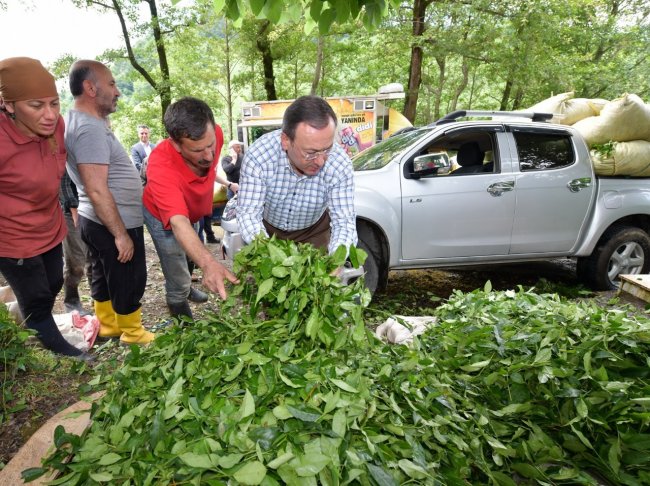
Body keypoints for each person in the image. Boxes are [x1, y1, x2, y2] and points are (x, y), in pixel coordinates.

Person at [0, 56, 91, 360]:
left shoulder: (56, 126)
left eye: (54, 103)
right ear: (9, 105)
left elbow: (59, 168)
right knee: (36, 295)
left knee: (53, 281)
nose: (50, 114)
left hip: (50, 225)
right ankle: (54, 343)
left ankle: (31, 315)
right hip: (13, 236)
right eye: (36, 106)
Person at [65, 60, 153, 345]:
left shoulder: (87, 122)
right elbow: (97, 188)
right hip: (112, 219)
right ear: (91, 88)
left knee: (101, 272)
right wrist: (120, 234)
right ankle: (132, 332)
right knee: (129, 274)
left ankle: (109, 325)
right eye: (112, 84)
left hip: (95, 218)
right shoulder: (88, 129)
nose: (118, 91)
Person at [142, 97, 238, 321]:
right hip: (163, 217)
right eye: (197, 150)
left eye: (210, 145)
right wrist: (210, 264)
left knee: (191, 254)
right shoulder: (160, 165)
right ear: (175, 144)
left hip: (192, 210)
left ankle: (187, 285)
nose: (208, 156)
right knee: (176, 264)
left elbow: (211, 164)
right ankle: (180, 311)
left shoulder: (214, 133)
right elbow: (177, 222)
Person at [237, 95, 357, 254]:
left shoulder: (339, 164)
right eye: (311, 153)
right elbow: (248, 215)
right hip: (266, 231)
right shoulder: (259, 156)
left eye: (327, 149)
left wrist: (337, 260)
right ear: (285, 141)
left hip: (314, 232)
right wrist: (268, 252)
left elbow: (344, 222)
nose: (321, 161)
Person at [59, 170, 92, 314]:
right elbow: (63, 180)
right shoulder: (68, 149)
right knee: (76, 262)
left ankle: (98, 298)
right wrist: (74, 210)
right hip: (72, 210)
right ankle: (71, 301)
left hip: (92, 207)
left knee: (93, 259)